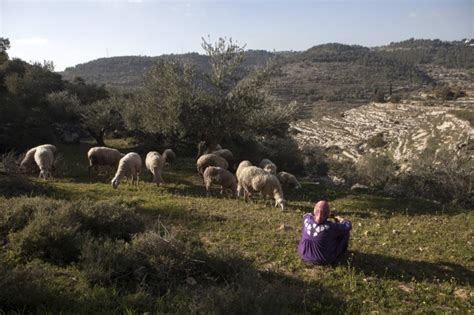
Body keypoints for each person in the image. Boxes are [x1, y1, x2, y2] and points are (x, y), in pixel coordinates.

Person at [298, 200, 352, 265]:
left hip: (303, 254)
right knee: (344, 232)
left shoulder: (307, 219)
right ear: (327, 214)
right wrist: (340, 219)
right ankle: (339, 251)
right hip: (324, 259)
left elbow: (307, 214)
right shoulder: (331, 227)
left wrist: (320, 213)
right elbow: (348, 226)